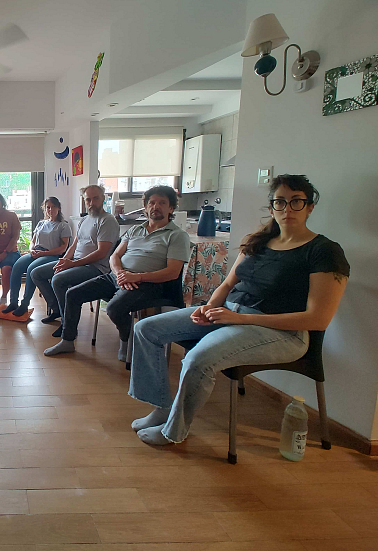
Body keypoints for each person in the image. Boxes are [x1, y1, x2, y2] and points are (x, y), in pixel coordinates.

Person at [129, 175, 349, 446]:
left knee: (198, 359)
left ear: (310, 207)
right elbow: (227, 284)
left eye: (296, 202)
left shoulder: (324, 251)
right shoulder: (258, 242)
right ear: (272, 207)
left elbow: (318, 319)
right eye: (280, 202)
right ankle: (161, 407)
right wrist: (208, 307)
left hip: (282, 334)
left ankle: (172, 431)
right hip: (229, 313)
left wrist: (240, 318)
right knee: (146, 329)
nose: (287, 209)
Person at [44, 186, 189, 357]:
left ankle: (127, 340)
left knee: (114, 308)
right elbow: (115, 256)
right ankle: (67, 341)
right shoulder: (135, 230)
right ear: (145, 207)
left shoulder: (177, 235)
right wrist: (120, 273)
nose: (155, 207)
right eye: (151, 203)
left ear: (171, 208)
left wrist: (136, 276)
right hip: (117, 277)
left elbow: (172, 272)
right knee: (73, 294)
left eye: (162, 203)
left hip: (148, 283)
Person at [31, 184, 119, 351]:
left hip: (95, 268)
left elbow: (102, 253)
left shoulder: (107, 221)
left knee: (58, 280)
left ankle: (68, 326)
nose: (91, 203)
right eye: (88, 199)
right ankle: (58, 309)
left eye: (95, 198)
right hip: (77, 262)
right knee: (37, 273)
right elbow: (74, 245)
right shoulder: (84, 220)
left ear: (103, 199)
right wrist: (64, 260)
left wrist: (72, 264)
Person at [2, 197, 71, 316]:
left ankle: (24, 304)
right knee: (17, 266)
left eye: (53, 207)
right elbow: (33, 241)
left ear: (58, 208)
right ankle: (13, 302)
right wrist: (31, 250)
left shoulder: (63, 226)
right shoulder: (41, 223)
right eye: (48, 207)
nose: (50, 210)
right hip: (36, 252)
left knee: (31, 269)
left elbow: (63, 248)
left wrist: (43, 253)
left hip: (51, 255)